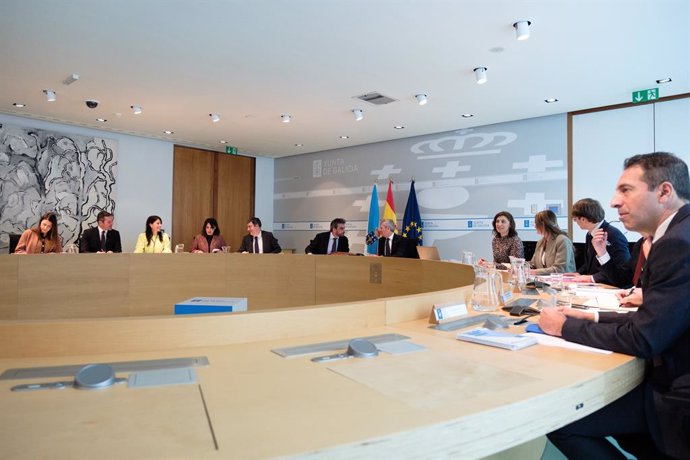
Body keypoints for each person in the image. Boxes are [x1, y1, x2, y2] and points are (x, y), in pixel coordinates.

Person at [540, 152, 690, 458]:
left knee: (559, 419)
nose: (613, 202)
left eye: (626, 190)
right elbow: (652, 317)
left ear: (664, 192)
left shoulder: (676, 243)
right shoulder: (674, 234)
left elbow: (644, 337)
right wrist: (591, 316)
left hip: (677, 393)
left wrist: (565, 326)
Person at [572, 198, 630, 276]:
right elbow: (589, 264)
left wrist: (592, 278)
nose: (576, 222)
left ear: (583, 219)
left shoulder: (613, 235)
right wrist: (578, 273)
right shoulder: (589, 234)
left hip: (613, 286)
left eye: (575, 219)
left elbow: (622, 271)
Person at [529, 209, 575, 275]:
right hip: (546, 281)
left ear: (543, 224)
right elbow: (533, 264)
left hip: (563, 282)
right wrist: (519, 266)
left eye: (536, 223)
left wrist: (533, 272)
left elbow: (559, 269)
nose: (535, 226)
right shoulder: (540, 242)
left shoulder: (562, 240)